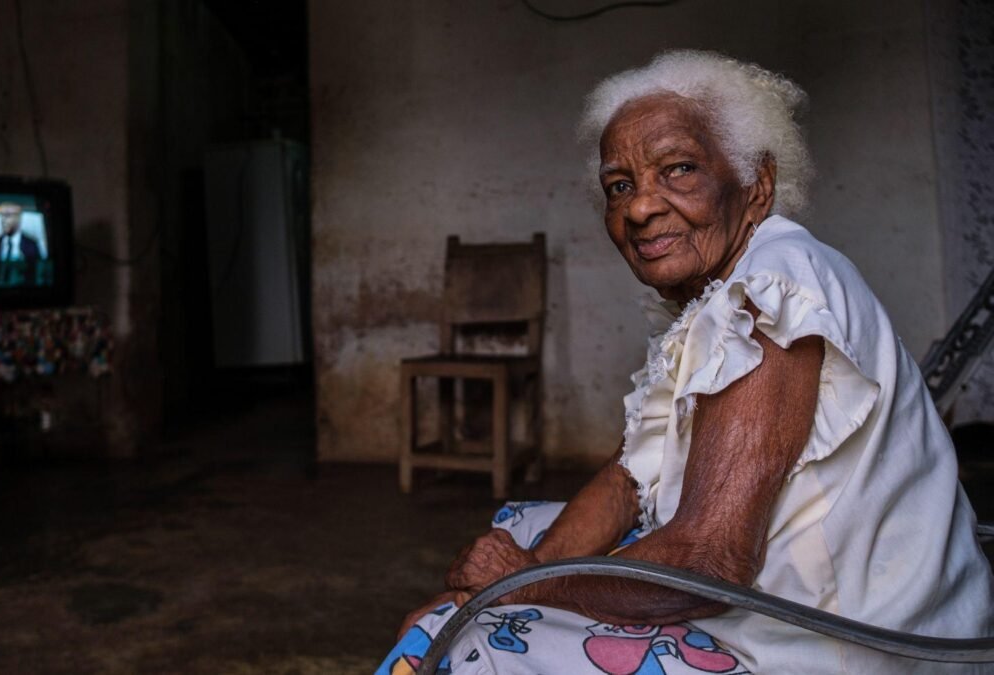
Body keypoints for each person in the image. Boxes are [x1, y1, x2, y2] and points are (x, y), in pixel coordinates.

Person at [378, 50, 994, 674]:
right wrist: (516, 574)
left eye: (678, 170)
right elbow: (628, 478)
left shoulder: (772, 294)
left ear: (758, 182)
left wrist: (510, 588)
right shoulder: (714, 298)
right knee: (524, 532)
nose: (640, 208)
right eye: (620, 186)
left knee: (466, 642)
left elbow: (707, 562)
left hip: (843, 646)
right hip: (790, 607)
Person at [0, 202, 42, 283]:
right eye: (1, 215)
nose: (3, 220)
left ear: (18, 218)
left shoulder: (31, 245)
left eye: (8, 215)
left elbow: (37, 275)